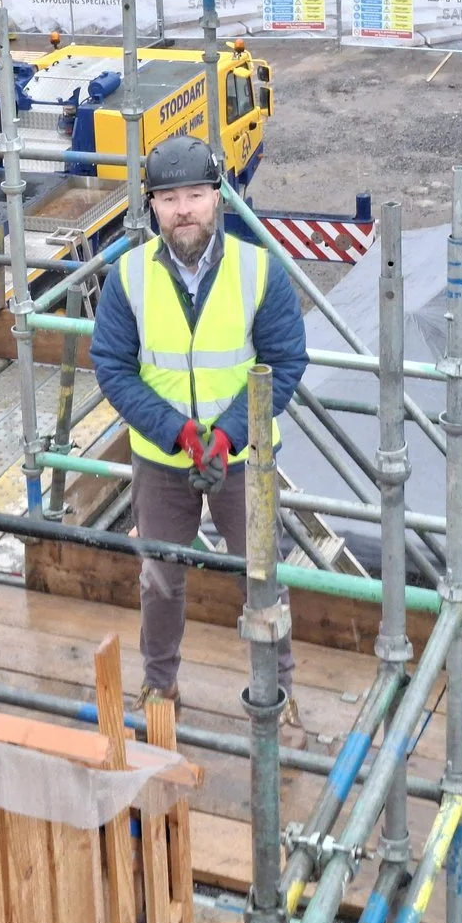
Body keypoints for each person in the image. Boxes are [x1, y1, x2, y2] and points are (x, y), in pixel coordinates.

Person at [91, 135, 308, 720]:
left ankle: (279, 693)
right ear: (152, 206)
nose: (183, 208)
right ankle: (160, 687)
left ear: (219, 198)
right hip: (164, 462)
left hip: (245, 462)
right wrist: (179, 433)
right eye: (169, 197)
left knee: (263, 580)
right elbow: (111, 366)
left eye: (194, 194)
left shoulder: (258, 270)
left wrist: (228, 433)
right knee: (160, 579)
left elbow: (285, 361)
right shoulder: (128, 276)